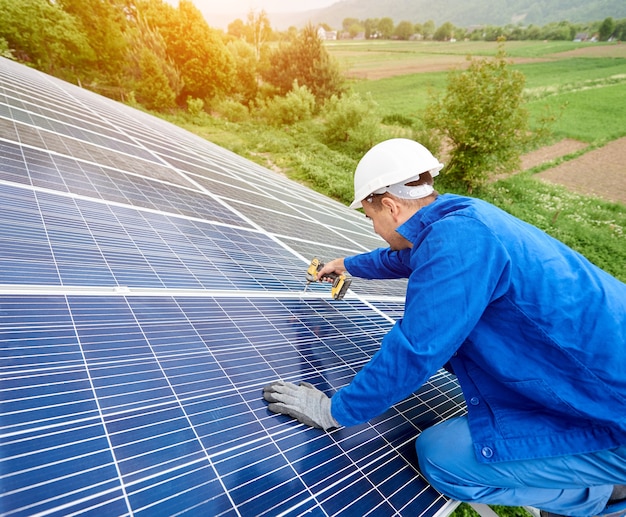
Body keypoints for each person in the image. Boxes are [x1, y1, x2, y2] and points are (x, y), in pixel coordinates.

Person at [263, 138, 626, 517]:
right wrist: (349, 264)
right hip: (600, 376)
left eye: (370, 218)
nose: (373, 228)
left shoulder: (457, 243)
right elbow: (409, 256)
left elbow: (416, 350)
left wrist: (333, 411)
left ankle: (600, 496)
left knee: (440, 457)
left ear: (389, 205)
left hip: (612, 412)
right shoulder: (461, 217)